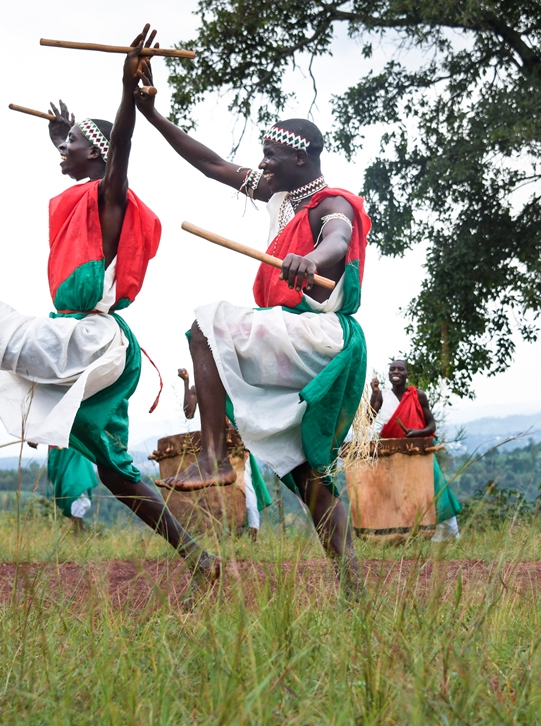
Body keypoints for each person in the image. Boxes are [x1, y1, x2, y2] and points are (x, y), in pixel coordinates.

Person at [0, 26, 221, 600]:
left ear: (97, 152)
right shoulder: (90, 194)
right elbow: (97, 154)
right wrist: (61, 134)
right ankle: (197, 557)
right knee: (115, 471)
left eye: (71, 143)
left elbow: (118, 150)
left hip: (90, 341)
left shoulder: (111, 193)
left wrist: (126, 92)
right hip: (96, 345)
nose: (62, 150)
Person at [135, 83, 369, 595]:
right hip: (291, 335)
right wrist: (151, 114)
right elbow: (213, 165)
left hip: (320, 335)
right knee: (307, 472)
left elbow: (339, 237)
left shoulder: (333, 202)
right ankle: (354, 589)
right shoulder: (279, 194)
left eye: (271, 156)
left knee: (205, 327)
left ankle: (215, 453)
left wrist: (315, 259)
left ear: (301, 158)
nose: (261, 165)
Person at [369, 360, 462, 541]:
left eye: (400, 369)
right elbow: (368, 419)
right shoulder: (381, 395)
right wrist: (373, 394)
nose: (396, 372)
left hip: (419, 450)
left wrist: (417, 432)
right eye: (392, 369)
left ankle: (448, 535)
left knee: (435, 489)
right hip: (392, 453)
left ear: (407, 375)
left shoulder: (417, 395)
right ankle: (404, 538)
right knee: (400, 495)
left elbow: (431, 425)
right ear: (388, 374)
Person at [177, 368, 271, 537]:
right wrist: (185, 382)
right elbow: (189, 413)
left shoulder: (232, 382)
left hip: (236, 447)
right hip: (211, 448)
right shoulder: (198, 386)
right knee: (216, 495)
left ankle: (253, 534)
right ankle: (226, 537)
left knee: (245, 491)